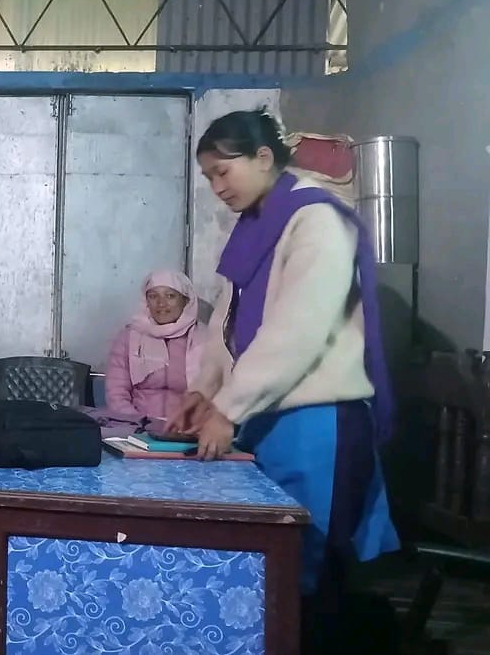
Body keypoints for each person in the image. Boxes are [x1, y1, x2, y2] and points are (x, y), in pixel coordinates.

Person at [166, 109, 398, 652]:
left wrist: (229, 409)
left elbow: (296, 331)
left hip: (319, 425)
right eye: (209, 177)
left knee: (308, 567)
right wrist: (203, 391)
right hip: (268, 417)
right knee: (273, 567)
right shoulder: (256, 227)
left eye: (223, 171)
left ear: (264, 157)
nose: (217, 187)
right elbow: (226, 323)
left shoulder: (317, 221)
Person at [104, 270, 206, 424]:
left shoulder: (206, 339)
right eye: (153, 296)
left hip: (189, 427)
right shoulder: (128, 337)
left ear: (185, 300)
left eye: (170, 296)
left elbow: (214, 394)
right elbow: (116, 392)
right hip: (136, 426)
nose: (161, 303)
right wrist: (137, 423)